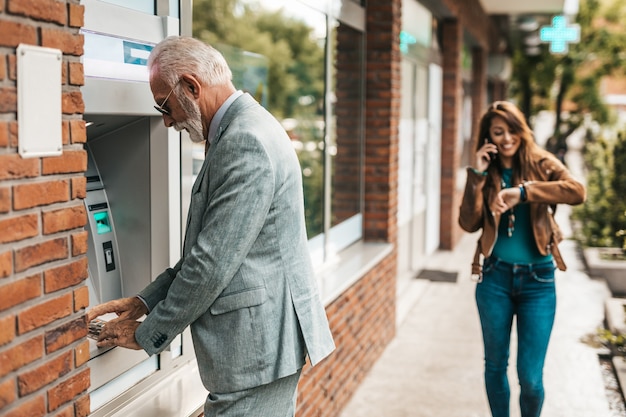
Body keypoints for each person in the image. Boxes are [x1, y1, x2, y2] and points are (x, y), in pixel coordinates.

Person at [87, 36, 335, 416]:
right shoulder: (242, 128)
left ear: (191, 86)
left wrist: (148, 332)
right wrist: (142, 302)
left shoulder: (245, 140)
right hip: (259, 346)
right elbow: (212, 249)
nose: (167, 121)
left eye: (164, 106)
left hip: (257, 350)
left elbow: (211, 262)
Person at [458, 101, 585, 417]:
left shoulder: (541, 162)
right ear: (488, 137)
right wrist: (477, 175)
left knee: (530, 377)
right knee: (495, 365)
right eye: (497, 132)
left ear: (521, 130)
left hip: (538, 282)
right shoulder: (487, 171)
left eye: (511, 129)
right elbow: (468, 223)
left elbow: (576, 191)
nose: (506, 138)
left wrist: (523, 193)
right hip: (495, 278)